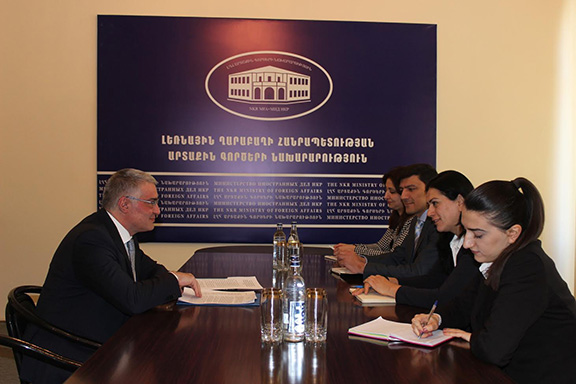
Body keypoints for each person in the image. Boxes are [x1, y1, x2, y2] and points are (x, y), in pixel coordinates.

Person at [21, 168, 202, 384]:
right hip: (69, 353)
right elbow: (133, 300)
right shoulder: (91, 239)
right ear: (125, 204)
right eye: (151, 202)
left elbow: (152, 270)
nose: (157, 210)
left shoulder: (121, 235)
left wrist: (170, 278)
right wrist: (173, 280)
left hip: (98, 337)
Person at [412, 178, 576, 383]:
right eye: (466, 231)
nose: (467, 244)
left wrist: (472, 338)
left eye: (478, 235)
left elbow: (494, 349)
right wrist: (436, 319)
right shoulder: (498, 258)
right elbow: (463, 305)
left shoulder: (527, 266)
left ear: (513, 233)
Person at [354, 170, 482, 309]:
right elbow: (434, 279)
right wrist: (390, 281)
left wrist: (392, 289)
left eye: (435, 204)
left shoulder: (475, 246)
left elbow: (444, 297)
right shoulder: (449, 240)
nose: (431, 212)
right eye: (429, 205)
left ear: (460, 202)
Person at [337, 164, 446, 284]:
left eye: (411, 189)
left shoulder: (438, 225)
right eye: (401, 190)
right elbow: (397, 258)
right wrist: (363, 260)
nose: (404, 196)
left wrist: (362, 267)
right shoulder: (416, 221)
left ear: (430, 190)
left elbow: (419, 271)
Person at [333, 166, 414, 258]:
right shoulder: (396, 218)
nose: (386, 196)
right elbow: (381, 247)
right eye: (386, 190)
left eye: (391, 191)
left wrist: (355, 250)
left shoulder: (412, 222)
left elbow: (393, 256)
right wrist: (352, 247)